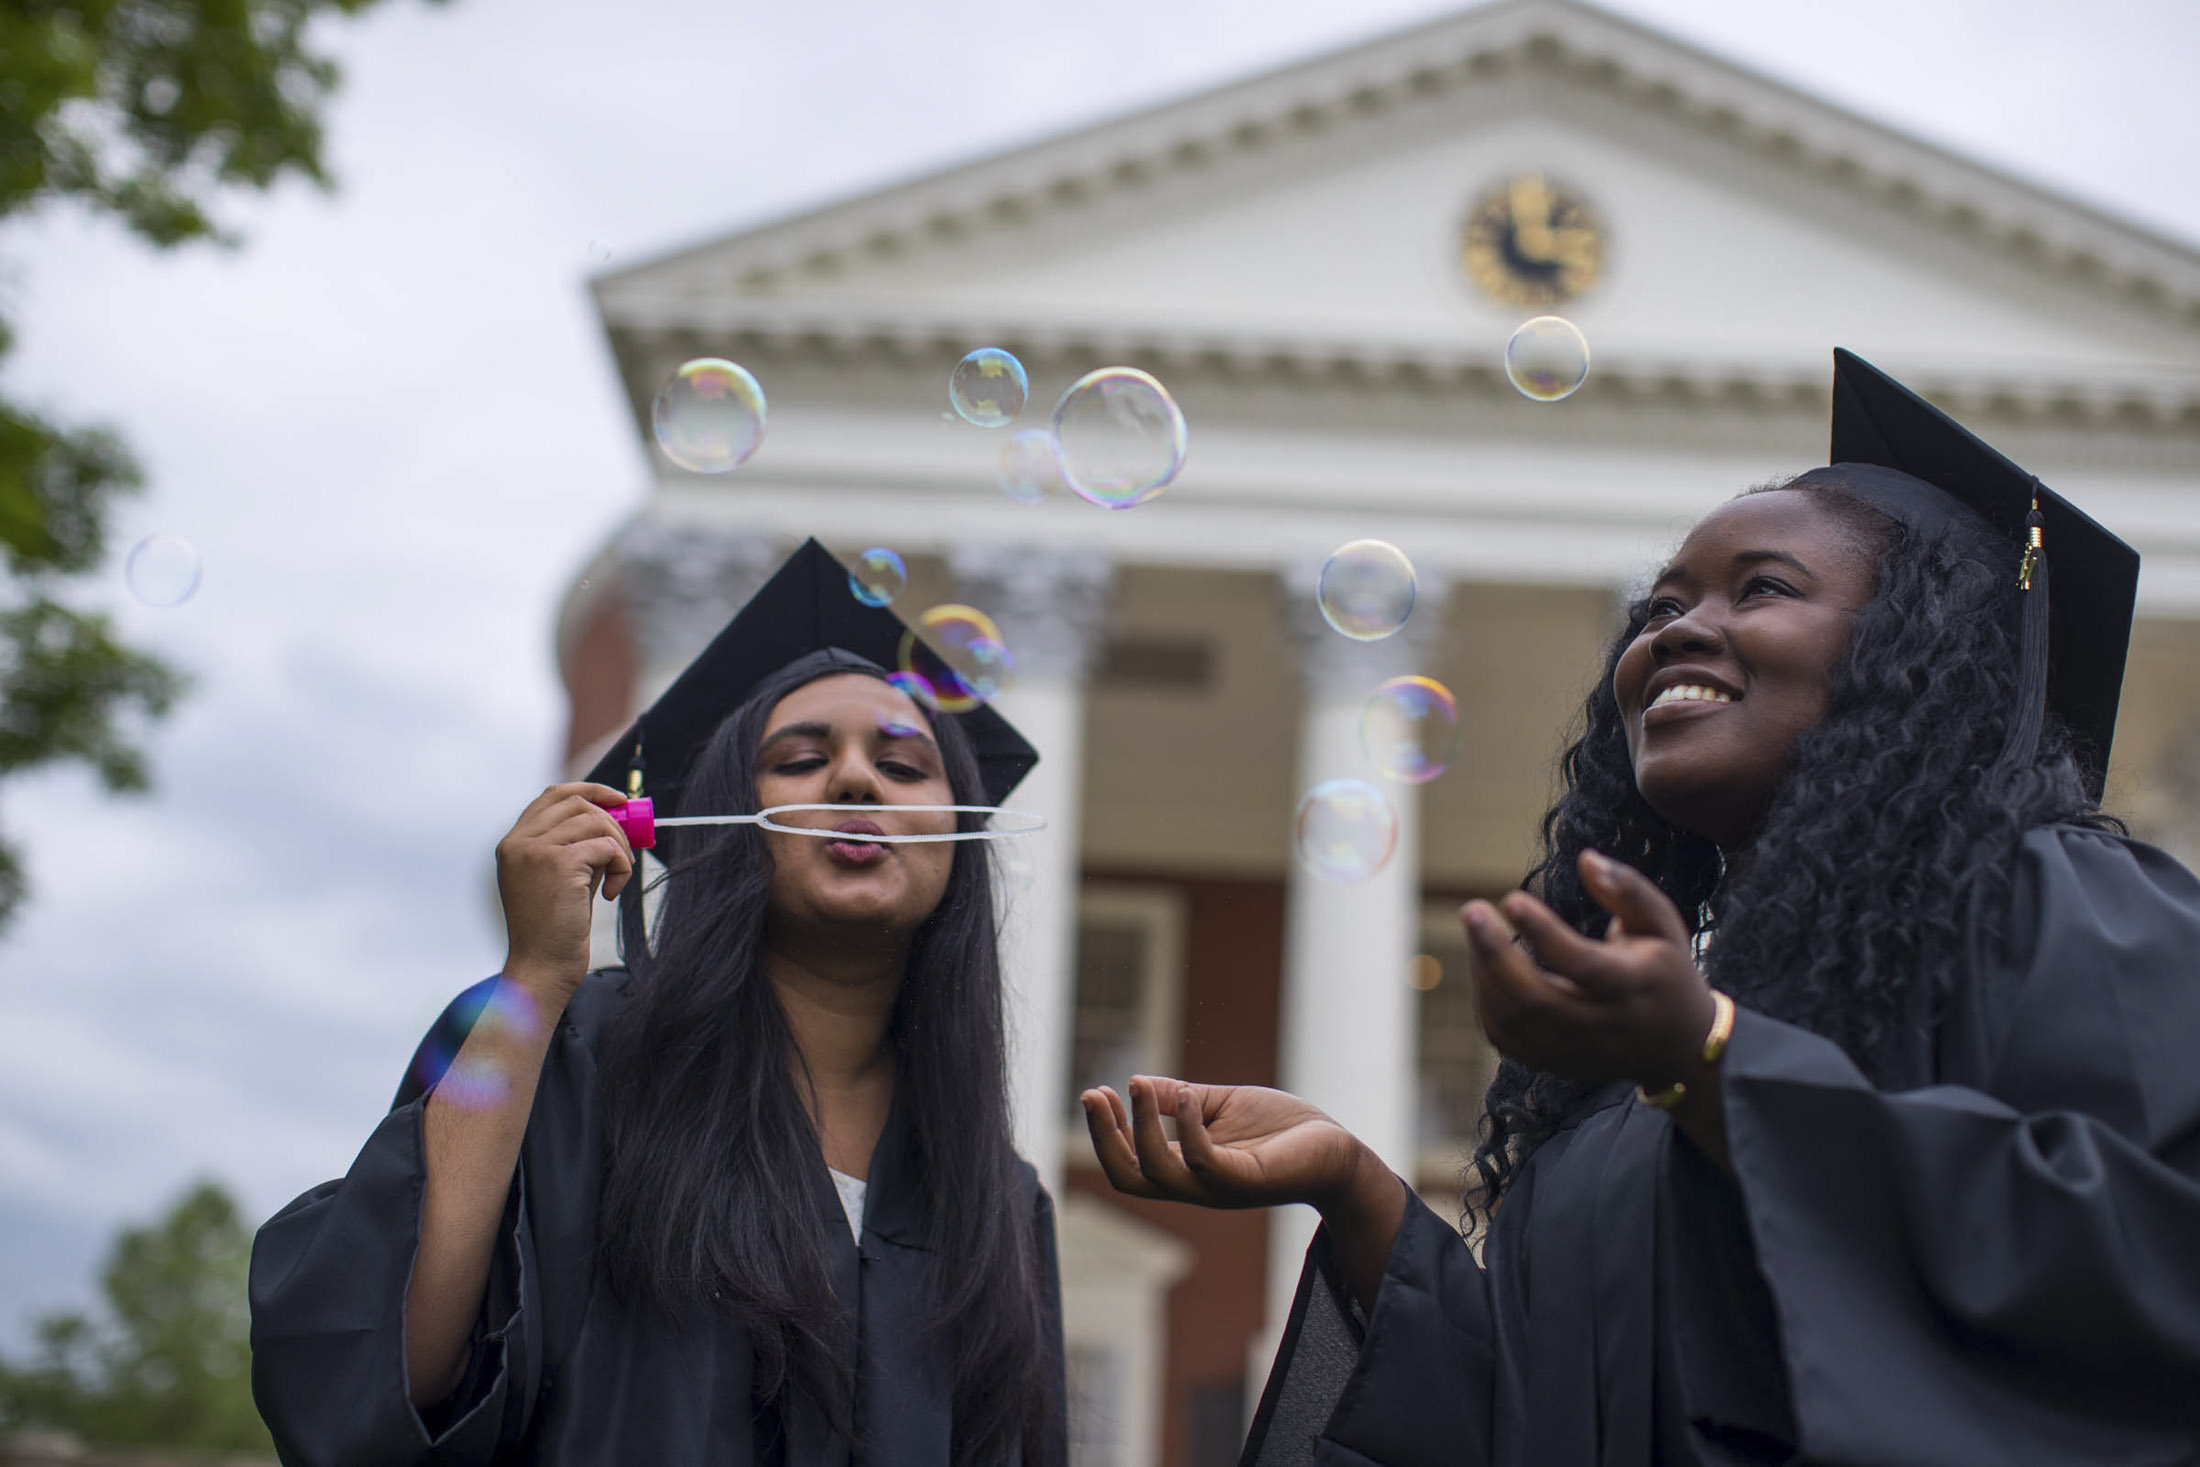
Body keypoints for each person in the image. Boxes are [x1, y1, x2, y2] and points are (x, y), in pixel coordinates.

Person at [1082, 351, 2200, 1465]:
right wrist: (1357, 1191)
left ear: (1920, 652)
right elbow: (1528, 1423)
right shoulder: (1628, 1062)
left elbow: (2147, 1265)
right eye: (1660, 603)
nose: (1670, 630)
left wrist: (1710, 1059)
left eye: (1760, 587)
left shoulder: (2057, 904)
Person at [251, 539, 1068, 1467]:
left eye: (906, 765)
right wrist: (532, 980)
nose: (853, 779)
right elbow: (392, 1374)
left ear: (959, 838)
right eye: (800, 758)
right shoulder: (576, 1056)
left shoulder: (996, 1194)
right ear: (724, 821)